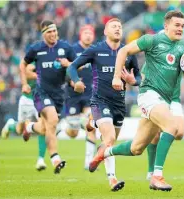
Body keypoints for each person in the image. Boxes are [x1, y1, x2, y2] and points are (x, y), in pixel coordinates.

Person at [89, 10, 184, 191]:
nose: (180, 28)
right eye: (177, 25)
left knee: (137, 148)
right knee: (172, 127)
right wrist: (115, 77)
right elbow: (124, 50)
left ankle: (105, 152)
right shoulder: (152, 40)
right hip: (149, 95)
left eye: (182, 26)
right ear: (166, 26)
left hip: (165, 100)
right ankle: (156, 176)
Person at [67, 18, 141, 191]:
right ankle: (112, 179)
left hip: (119, 105)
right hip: (100, 100)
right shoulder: (96, 49)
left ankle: (93, 124)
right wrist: (76, 81)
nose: (117, 29)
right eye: (113, 26)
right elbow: (72, 67)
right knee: (109, 139)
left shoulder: (128, 52)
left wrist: (133, 80)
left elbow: (138, 77)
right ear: (106, 32)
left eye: (120, 27)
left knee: (109, 143)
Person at [19, 20, 76, 174]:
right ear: (43, 34)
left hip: (59, 95)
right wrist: (24, 83)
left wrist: (68, 64)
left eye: (54, 31)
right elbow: (23, 65)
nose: (53, 34)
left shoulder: (65, 47)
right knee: (53, 120)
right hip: (41, 93)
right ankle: (54, 157)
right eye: (49, 32)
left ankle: (30, 127)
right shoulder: (36, 48)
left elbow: (79, 64)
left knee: (45, 128)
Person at [1, 64, 47, 171]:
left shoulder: (48, 58)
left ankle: (40, 160)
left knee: (43, 127)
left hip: (40, 100)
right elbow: (26, 73)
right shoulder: (31, 62)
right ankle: (11, 125)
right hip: (27, 100)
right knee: (19, 130)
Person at [63, 25, 97, 169]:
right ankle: (64, 127)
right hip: (73, 95)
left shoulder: (96, 51)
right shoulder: (72, 50)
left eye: (90, 33)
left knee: (92, 126)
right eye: (85, 33)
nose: (88, 35)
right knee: (73, 132)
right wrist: (70, 79)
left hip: (90, 94)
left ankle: (89, 162)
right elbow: (62, 69)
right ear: (80, 35)